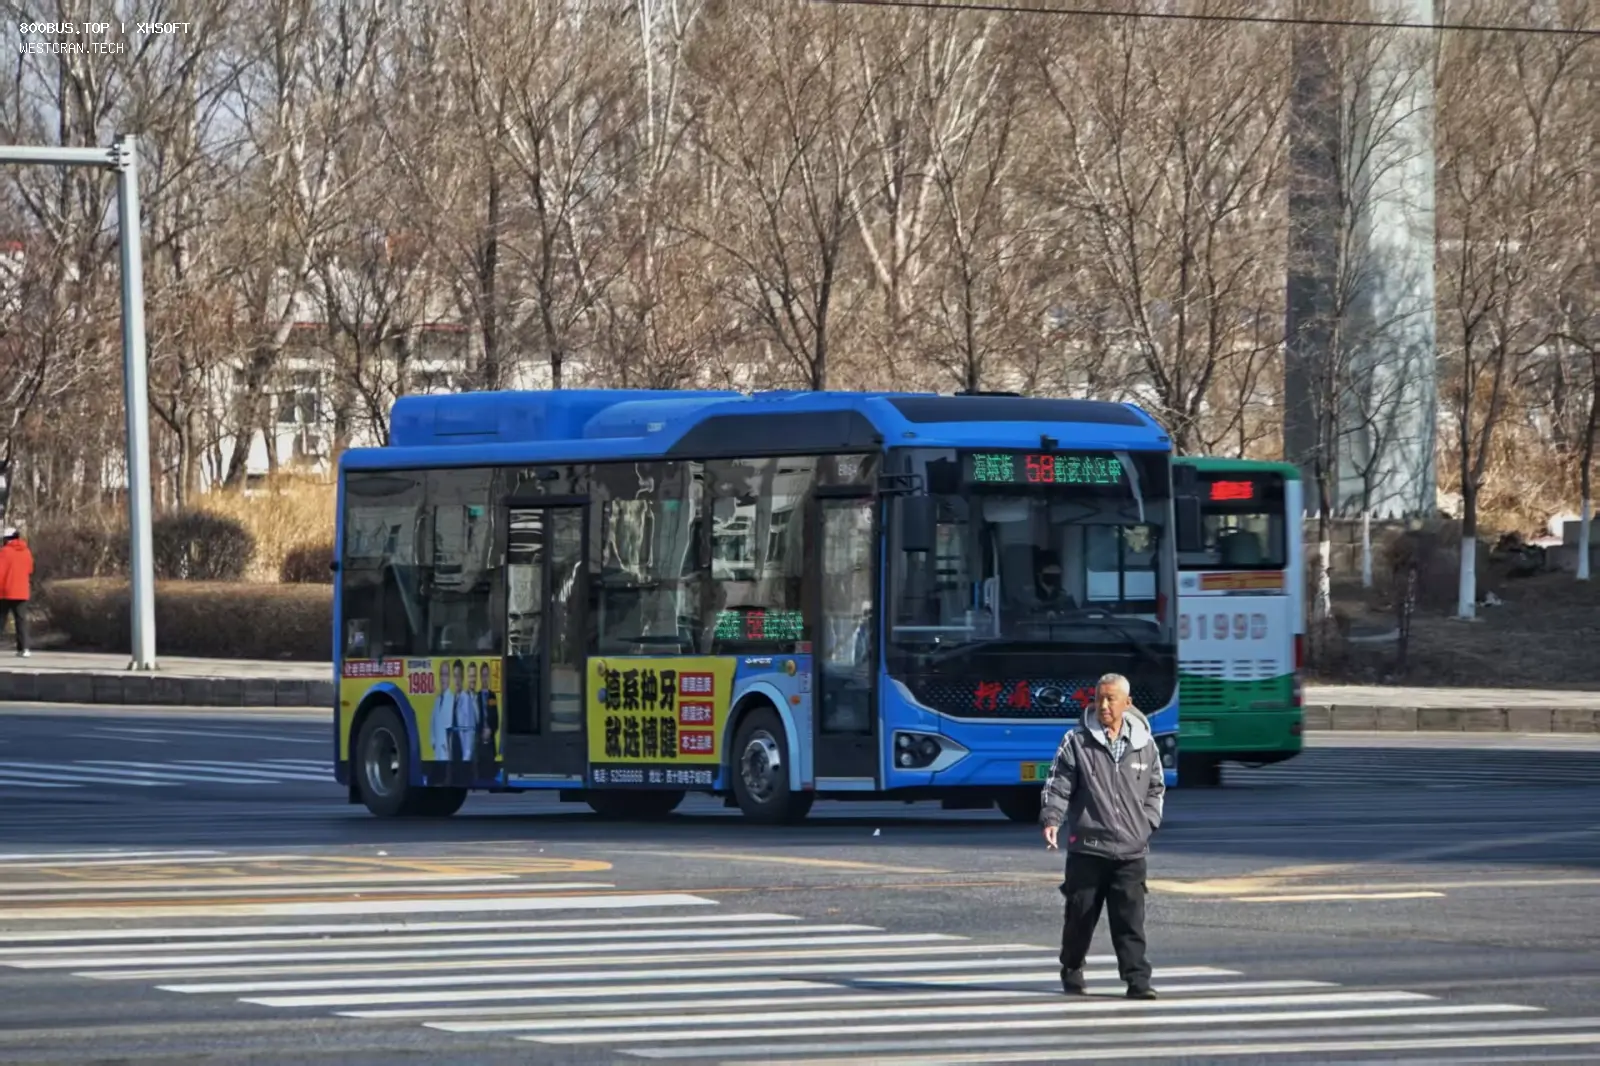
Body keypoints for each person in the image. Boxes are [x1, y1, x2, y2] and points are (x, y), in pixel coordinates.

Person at [1040, 672, 1165, 1000]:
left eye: (1111, 699)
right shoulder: (1076, 741)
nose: (1104, 705)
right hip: (1088, 847)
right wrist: (1052, 818)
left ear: (1128, 703)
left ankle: (1137, 981)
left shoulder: (1145, 744)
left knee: (1130, 922)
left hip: (1131, 850)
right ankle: (1071, 965)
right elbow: (1058, 784)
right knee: (1080, 917)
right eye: (1099, 698)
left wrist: (1147, 823)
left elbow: (1156, 788)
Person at [0, 527, 34, 658]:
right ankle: (24, 648)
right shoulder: (26, 552)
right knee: (21, 621)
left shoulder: (4, 552)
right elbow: (30, 569)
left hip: (5, 591)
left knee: (1, 620)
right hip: (22, 591)